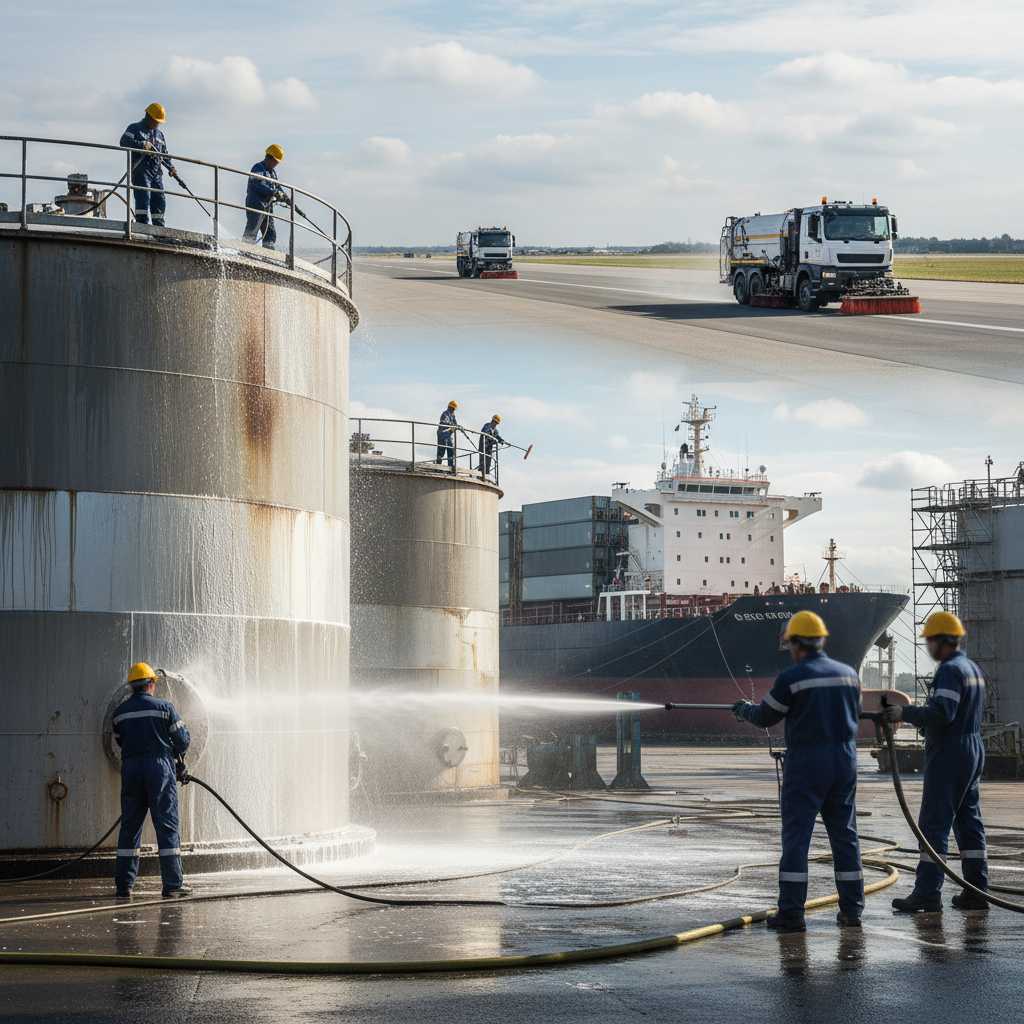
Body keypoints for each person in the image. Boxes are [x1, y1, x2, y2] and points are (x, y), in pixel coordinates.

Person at [733, 610, 864, 932]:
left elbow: (766, 716)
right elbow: (855, 711)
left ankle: (791, 914)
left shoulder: (792, 678)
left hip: (807, 763)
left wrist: (743, 710)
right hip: (845, 761)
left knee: (797, 839)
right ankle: (852, 911)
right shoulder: (849, 674)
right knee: (845, 837)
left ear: (796, 643)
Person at [885, 611, 988, 912]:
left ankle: (927, 893)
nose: (928, 647)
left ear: (942, 641)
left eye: (930, 641)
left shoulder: (950, 671)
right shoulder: (972, 668)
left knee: (934, 823)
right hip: (972, 748)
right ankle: (977, 891)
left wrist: (904, 713)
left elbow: (943, 712)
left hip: (950, 752)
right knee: (969, 823)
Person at [112, 662, 192, 899]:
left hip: (131, 770)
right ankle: (172, 885)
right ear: (151, 684)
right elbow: (183, 740)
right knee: (166, 826)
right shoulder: (164, 708)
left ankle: (124, 886)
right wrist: (174, 755)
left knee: (130, 827)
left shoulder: (120, 713)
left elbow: (120, 741)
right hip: (159, 770)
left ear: (132, 686)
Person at [119, 103, 181, 226]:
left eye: (159, 122)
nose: (157, 124)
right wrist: (142, 145)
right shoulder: (135, 128)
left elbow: (164, 154)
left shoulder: (159, 135)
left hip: (156, 173)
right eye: (156, 121)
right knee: (143, 198)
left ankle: (159, 227)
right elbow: (124, 141)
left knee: (159, 199)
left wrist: (171, 167)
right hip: (141, 171)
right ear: (148, 116)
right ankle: (142, 225)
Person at [244, 144, 286, 249]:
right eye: (275, 162)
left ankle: (268, 252)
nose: (276, 164)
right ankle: (245, 250)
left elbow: (277, 186)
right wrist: (274, 192)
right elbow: (257, 184)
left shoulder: (272, 172)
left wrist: (286, 198)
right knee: (252, 230)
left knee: (270, 232)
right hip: (256, 204)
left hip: (267, 206)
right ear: (269, 158)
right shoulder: (257, 168)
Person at [436, 400, 459, 469]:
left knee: (451, 451)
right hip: (442, 435)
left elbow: (455, 424)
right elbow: (444, 424)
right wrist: (452, 426)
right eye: (453, 408)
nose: (453, 410)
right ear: (450, 407)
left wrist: (457, 426)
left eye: (454, 409)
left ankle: (451, 467)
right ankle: (438, 467)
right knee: (441, 452)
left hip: (449, 435)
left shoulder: (452, 415)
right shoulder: (445, 414)